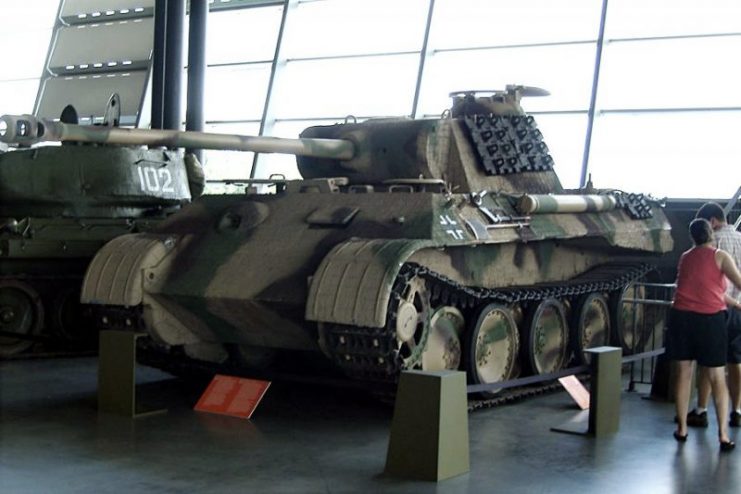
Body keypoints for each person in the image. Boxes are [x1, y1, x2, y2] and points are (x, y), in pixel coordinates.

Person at [668, 218, 741, 451]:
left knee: (683, 374)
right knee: (717, 377)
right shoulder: (720, 256)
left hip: (682, 317)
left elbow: (701, 289)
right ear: (711, 233)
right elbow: (736, 284)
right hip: (710, 320)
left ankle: (682, 428)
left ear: (692, 237)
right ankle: (722, 434)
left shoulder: (685, 257)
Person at [686, 203, 741, 429]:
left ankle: (701, 410)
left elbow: (710, 285)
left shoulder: (711, 246)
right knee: (736, 361)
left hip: (715, 309)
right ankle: (737, 411)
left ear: (712, 222)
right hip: (739, 309)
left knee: (709, 363)